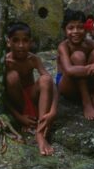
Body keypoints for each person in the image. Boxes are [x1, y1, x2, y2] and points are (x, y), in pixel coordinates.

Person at [5, 22, 58, 156]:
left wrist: (53, 110)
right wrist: (19, 117)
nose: (21, 45)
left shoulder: (33, 59)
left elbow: (51, 84)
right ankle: (30, 123)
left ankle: (40, 133)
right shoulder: (5, 62)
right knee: (12, 77)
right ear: (8, 42)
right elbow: (1, 96)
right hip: (19, 104)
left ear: (31, 42)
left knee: (46, 79)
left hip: (34, 99)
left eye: (25, 41)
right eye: (16, 41)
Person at [56, 9, 94, 120]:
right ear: (64, 30)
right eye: (71, 28)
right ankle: (86, 102)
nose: (76, 31)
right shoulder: (63, 46)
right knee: (78, 56)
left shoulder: (90, 43)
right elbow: (69, 70)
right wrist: (92, 67)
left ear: (85, 29)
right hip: (68, 86)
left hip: (87, 82)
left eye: (80, 27)